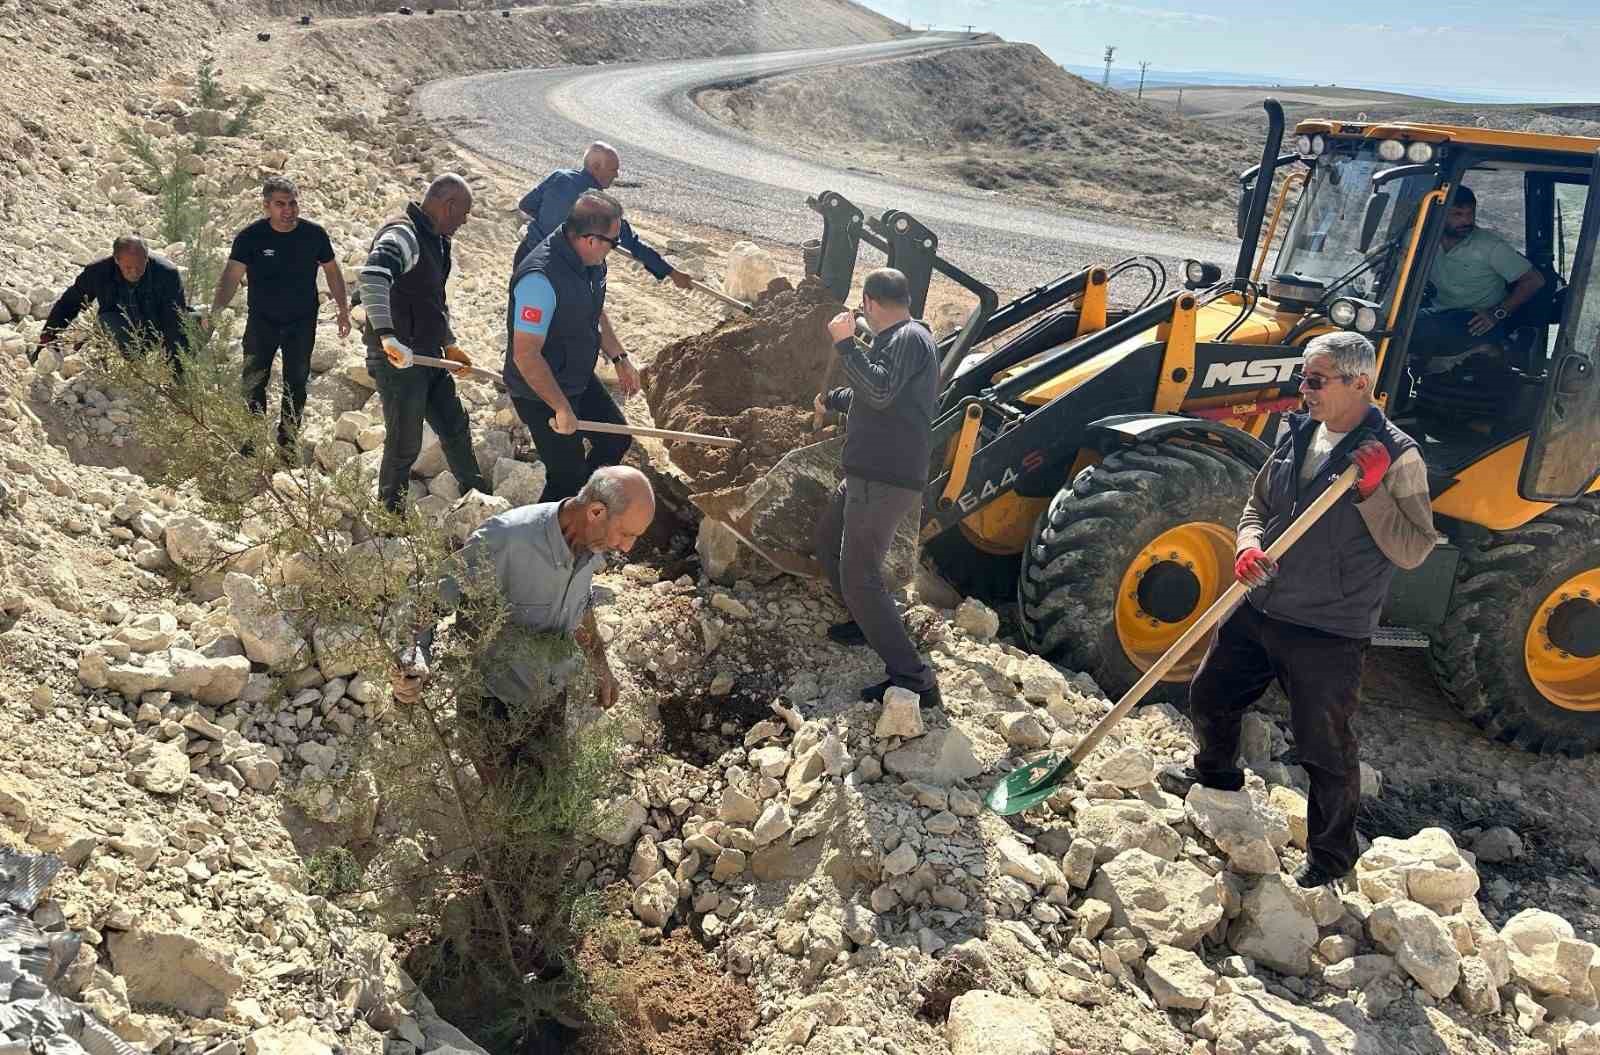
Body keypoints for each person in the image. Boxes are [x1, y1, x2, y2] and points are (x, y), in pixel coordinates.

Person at [1163, 332, 1436, 888]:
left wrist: (1374, 492)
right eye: (1302, 378)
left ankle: (1331, 859)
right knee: (1211, 694)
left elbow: (1414, 549)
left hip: (1328, 626)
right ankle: (1216, 782)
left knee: (1324, 746)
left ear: (1359, 384)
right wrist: (1247, 544)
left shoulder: (1397, 456)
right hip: (1260, 603)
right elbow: (1257, 504)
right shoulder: (1298, 430)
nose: (1303, 390)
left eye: (1315, 380)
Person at [390, 466, 656, 783]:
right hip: (491, 706)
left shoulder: (592, 544)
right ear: (596, 511)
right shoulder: (507, 539)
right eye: (626, 534)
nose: (627, 548)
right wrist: (414, 655)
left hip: (550, 697)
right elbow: (429, 599)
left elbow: (580, 603)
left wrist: (599, 663)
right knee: (513, 815)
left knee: (553, 805)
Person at [812, 267, 942, 708]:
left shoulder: (909, 337)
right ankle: (865, 620)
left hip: (885, 478)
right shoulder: (898, 341)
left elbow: (881, 391)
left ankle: (915, 680)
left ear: (868, 302)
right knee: (828, 541)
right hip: (867, 473)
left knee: (860, 575)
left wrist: (845, 343)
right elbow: (873, 395)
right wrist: (832, 400)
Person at [359, 173, 491, 512]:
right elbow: (373, 277)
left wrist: (448, 342)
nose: (464, 221)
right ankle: (390, 517)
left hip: (429, 356)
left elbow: (431, 299)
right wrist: (387, 337)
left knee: (454, 424)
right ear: (448, 206)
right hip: (398, 359)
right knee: (405, 443)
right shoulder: (404, 234)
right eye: (463, 213)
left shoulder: (436, 238)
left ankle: (477, 499)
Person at [504, 190, 640, 502]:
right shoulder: (540, 279)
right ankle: (545, 535)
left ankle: (582, 510)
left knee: (615, 440)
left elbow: (593, 309)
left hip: (575, 374)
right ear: (590, 239)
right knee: (566, 476)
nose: (614, 249)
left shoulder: (590, 261)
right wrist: (561, 407)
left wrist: (619, 357)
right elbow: (526, 355)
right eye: (613, 242)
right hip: (540, 390)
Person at [210, 176, 351, 448]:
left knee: (296, 384)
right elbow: (231, 277)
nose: (288, 210)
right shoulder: (250, 238)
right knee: (253, 381)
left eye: (293, 203)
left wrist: (343, 310)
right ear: (267, 206)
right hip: (262, 322)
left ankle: (287, 444)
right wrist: (216, 312)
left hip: (301, 322)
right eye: (280, 204)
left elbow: (332, 271)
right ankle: (251, 441)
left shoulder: (314, 235)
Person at [511, 141, 694, 292]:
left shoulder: (559, 176)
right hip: (559, 271)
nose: (616, 175)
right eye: (613, 169)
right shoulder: (600, 205)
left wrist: (547, 220)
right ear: (596, 167)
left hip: (526, 256)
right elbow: (633, 245)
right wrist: (672, 273)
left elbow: (526, 204)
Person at [1411, 186, 1546, 370]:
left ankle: (1488, 350)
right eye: (1458, 214)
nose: (1467, 221)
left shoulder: (1489, 246)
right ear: (1439, 214)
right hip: (1439, 312)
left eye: (1470, 214)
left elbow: (1534, 280)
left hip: (1478, 319)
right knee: (1397, 322)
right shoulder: (1420, 238)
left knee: (1418, 328)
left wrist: (1497, 313)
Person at [38, 235, 191, 366]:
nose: (134, 272)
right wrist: (48, 336)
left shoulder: (167, 274)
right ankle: (122, 354)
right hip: (124, 332)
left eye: (139, 266)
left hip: (158, 328)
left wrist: (172, 365)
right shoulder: (98, 272)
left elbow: (175, 319)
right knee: (107, 320)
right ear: (116, 260)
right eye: (128, 267)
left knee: (195, 323)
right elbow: (70, 303)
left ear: (146, 258)